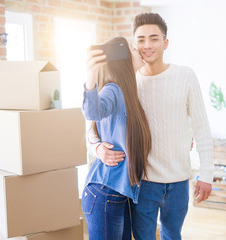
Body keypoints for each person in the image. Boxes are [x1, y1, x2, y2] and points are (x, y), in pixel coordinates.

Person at [88, 13, 214, 240]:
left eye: (154, 38)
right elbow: (94, 125)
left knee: (172, 235)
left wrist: (207, 174)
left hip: (178, 181)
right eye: (141, 40)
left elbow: (202, 128)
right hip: (143, 184)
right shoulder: (127, 83)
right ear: (134, 44)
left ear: (165, 43)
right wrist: (97, 148)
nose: (147, 45)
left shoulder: (185, 76)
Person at [81, 36, 151, 240]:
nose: (137, 48)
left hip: (120, 193)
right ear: (124, 59)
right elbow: (93, 112)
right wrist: (90, 75)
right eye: (132, 47)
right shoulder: (113, 90)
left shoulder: (132, 92)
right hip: (104, 192)